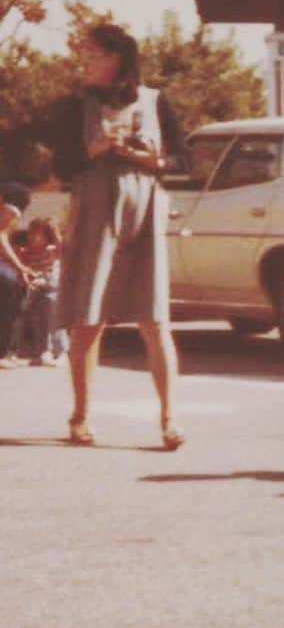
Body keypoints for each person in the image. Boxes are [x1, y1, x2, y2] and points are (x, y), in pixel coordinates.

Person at [49, 24, 186, 449]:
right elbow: (62, 165)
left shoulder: (155, 100)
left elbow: (180, 158)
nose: (84, 61)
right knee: (89, 318)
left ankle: (169, 419)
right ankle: (80, 415)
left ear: (115, 57)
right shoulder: (74, 106)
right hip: (94, 208)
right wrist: (92, 150)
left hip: (143, 208)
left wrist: (148, 157)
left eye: (91, 53)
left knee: (154, 316)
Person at [14, 216, 68, 365]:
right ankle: (44, 350)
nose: (32, 237)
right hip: (37, 289)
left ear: (47, 236)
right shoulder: (29, 252)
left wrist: (55, 230)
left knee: (54, 319)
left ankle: (61, 351)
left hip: (52, 288)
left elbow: (61, 246)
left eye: (36, 234)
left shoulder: (50, 249)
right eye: (30, 233)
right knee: (37, 320)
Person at [0, 181, 34, 368]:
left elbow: (2, 236)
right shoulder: (6, 208)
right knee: (9, 284)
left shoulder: (6, 215)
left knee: (15, 284)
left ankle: (7, 351)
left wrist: (20, 268)